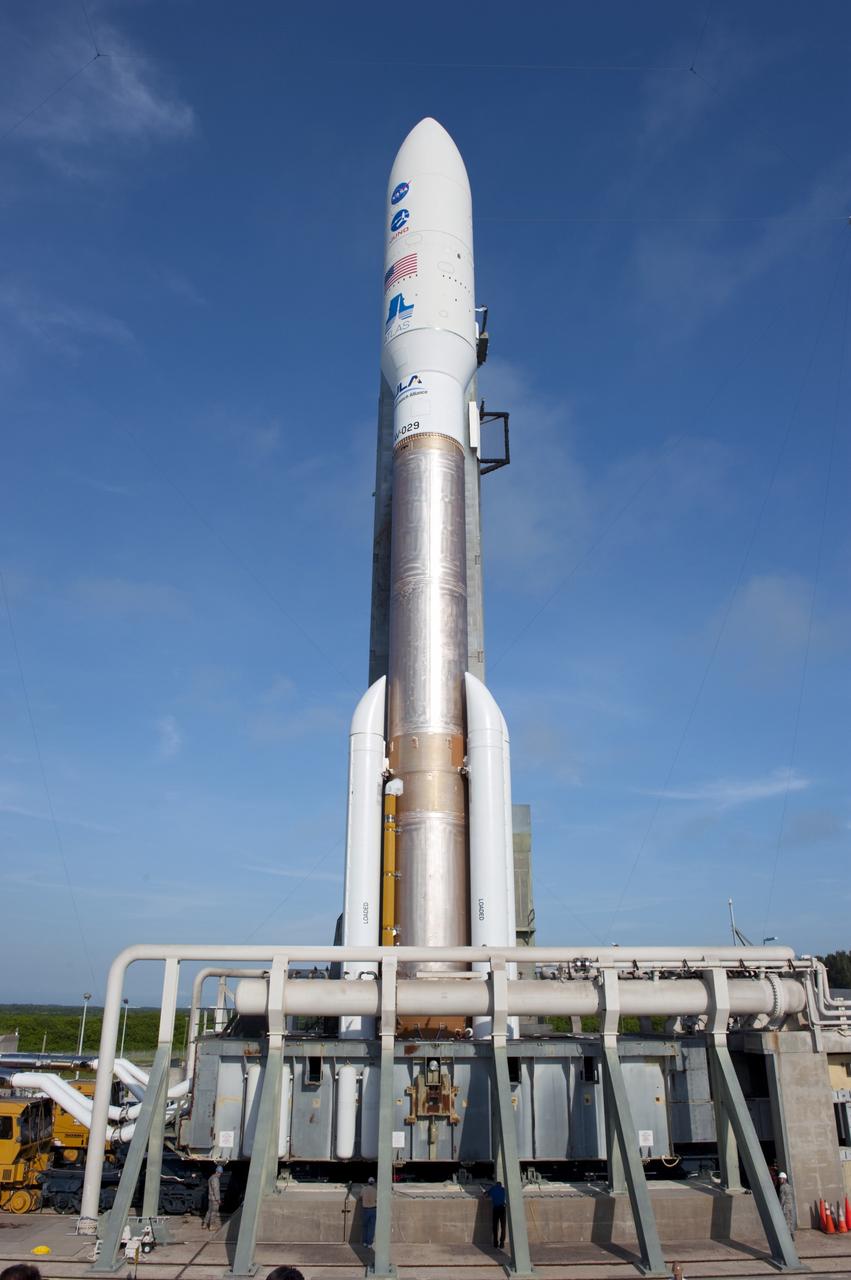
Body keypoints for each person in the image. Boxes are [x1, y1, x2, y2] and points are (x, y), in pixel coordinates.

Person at [486, 1179, 507, 1249]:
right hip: (502, 1209)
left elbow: (486, 1195)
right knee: (503, 1226)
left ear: (496, 1185)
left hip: (495, 1209)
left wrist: (487, 1192)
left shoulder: (493, 1189)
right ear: (501, 1185)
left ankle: (495, 1243)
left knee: (495, 1226)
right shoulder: (503, 1190)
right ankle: (502, 1243)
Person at [203, 1164, 224, 1231]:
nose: (220, 1175)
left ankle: (204, 1224)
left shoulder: (211, 1177)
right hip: (214, 1199)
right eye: (220, 1173)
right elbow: (216, 1189)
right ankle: (211, 1226)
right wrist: (218, 1199)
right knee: (214, 1212)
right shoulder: (215, 1179)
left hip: (210, 1198)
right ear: (218, 1172)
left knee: (209, 1211)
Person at [777, 1172, 796, 1237]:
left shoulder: (782, 1187)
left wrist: (780, 1207)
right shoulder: (789, 1186)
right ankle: (792, 1234)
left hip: (785, 1206)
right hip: (791, 1206)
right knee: (790, 1220)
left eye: (780, 1178)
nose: (779, 1180)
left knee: (786, 1221)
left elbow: (782, 1198)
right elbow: (792, 1196)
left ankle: (787, 1237)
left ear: (784, 1179)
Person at [360, 1176, 377, 1247]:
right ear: (373, 1183)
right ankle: (370, 1243)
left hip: (365, 1209)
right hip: (373, 1209)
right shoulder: (375, 1190)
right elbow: (377, 1199)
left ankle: (364, 1242)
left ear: (368, 1182)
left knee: (365, 1226)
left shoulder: (364, 1189)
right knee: (371, 1227)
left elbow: (360, 1197)